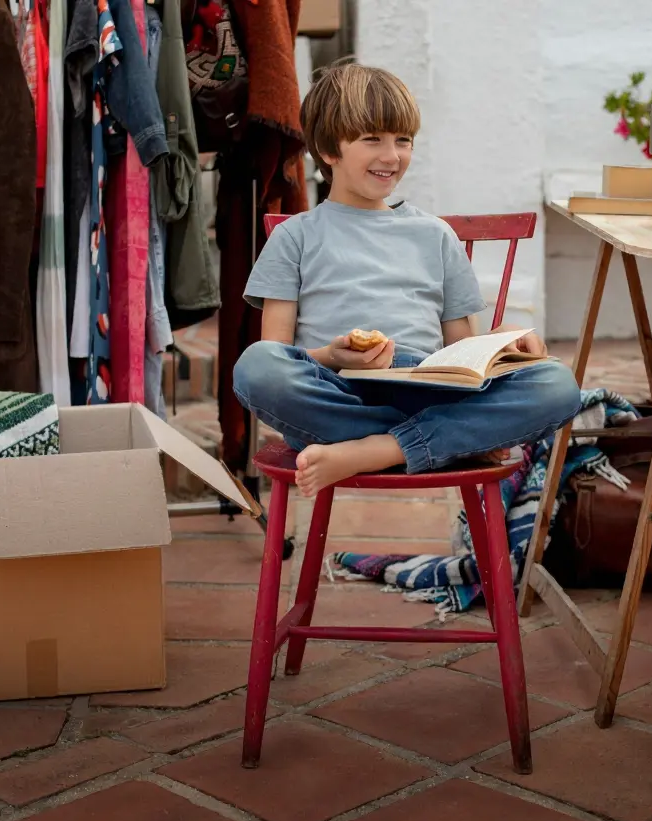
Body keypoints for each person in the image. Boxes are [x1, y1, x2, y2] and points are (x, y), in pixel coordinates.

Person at [232, 61, 581, 498]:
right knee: (255, 366)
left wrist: (504, 342)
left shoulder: (435, 235)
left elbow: (461, 358)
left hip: (426, 386)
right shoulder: (294, 237)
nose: (391, 156)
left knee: (557, 385)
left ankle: (377, 449)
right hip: (336, 395)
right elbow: (278, 353)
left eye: (403, 140)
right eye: (372, 139)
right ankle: (443, 441)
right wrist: (334, 356)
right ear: (329, 150)